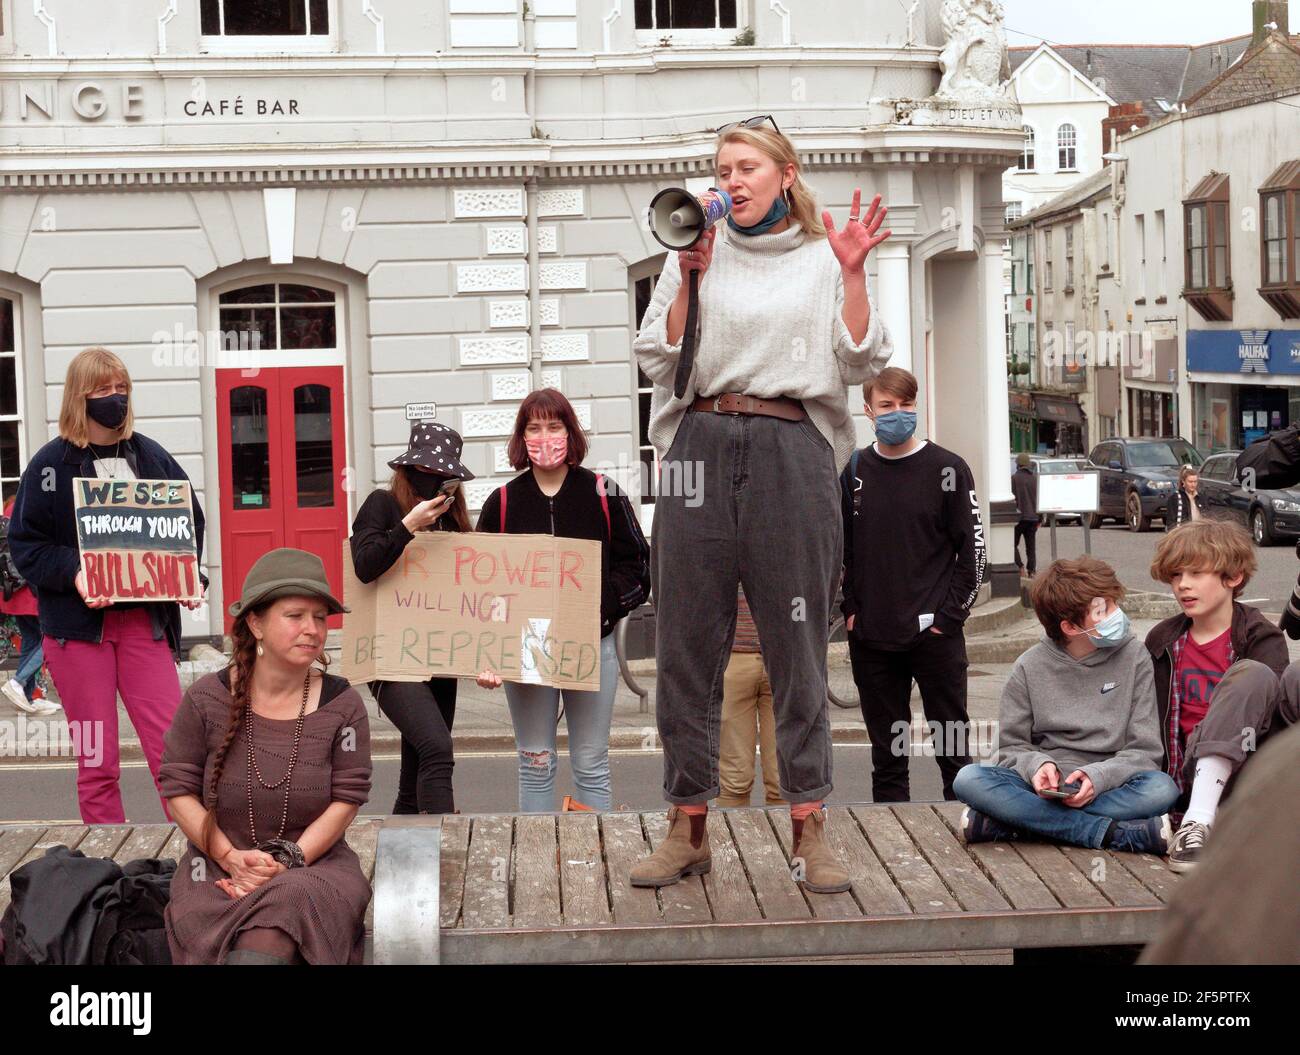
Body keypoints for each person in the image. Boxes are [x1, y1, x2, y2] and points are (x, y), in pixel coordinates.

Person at [631, 116, 893, 894]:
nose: (732, 180)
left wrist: (851, 275)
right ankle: (687, 825)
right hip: (701, 444)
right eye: (722, 168)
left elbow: (861, 359)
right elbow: (659, 356)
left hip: (791, 446)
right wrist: (693, 274)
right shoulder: (692, 255)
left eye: (747, 166)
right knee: (683, 643)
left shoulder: (821, 256)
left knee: (798, 647)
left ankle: (811, 827)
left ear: (786, 174)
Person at [8, 347, 206, 824]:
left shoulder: (150, 455)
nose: (114, 398)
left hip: (144, 627)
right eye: (102, 390)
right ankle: (104, 868)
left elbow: (186, 522)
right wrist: (76, 572)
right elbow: (26, 546)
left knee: (174, 758)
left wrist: (187, 574)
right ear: (80, 396)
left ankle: (194, 858)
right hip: (77, 636)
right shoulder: (49, 466)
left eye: (121, 389)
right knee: (97, 763)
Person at [159, 549, 372, 965]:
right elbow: (178, 791)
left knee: (283, 909)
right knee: (259, 928)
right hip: (216, 873)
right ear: (255, 623)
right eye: (295, 616)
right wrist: (230, 859)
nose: (311, 629)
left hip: (314, 869)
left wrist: (285, 862)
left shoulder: (343, 705)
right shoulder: (206, 699)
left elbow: (347, 800)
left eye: (320, 618)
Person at [475, 389, 650, 813]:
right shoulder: (502, 502)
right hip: (527, 648)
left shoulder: (604, 492)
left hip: (593, 643)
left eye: (554, 426)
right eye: (534, 427)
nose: (544, 435)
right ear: (521, 437)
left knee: (591, 762)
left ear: (569, 432)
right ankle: (538, 862)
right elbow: (480, 587)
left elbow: (638, 568)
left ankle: (594, 857)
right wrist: (487, 652)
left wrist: (598, 606)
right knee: (534, 761)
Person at [954, 556, 1178, 853]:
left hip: (1111, 785)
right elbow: (1010, 749)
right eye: (1104, 610)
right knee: (968, 779)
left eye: (1113, 604)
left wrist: (1098, 777)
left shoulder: (1136, 657)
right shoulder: (1028, 667)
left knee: (1162, 789)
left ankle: (1014, 824)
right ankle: (1113, 834)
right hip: (1042, 790)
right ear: (1070, 627)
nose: (1116, 614)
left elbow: (1145, 752)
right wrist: (1038, 766)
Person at [842, 366, 985, 803]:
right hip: (871, 636)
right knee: (887, 757)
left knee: (953, 748)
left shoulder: (948, 469)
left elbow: (974, 552)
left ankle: (964, 830)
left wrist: (949, 617)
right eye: (887, 406)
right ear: (868, 410)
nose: (898, 413)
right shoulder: (853, 470)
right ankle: (892, 843)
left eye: (906, 404)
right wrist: (848, 609)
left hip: (934, 635)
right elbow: (838, 548)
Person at [1145, 519, 1293, 872]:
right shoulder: (1162, 641)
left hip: (1247, 771)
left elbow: (1269, 724)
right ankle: (1196, 822)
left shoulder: (1261, 638)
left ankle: (1206, 820)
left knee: (1261, 675)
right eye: (1176, 575)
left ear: (1234, 577)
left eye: (1196, 573)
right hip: (1183, 781)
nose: (1183, 585)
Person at [350, 422, 473, 816]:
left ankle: (401, 862)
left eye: (445, 478)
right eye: (428, 474)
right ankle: (445, 848)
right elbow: (365, 565)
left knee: (418, 764)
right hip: (390, 655)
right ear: (408, 472)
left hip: (439, 656)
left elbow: (472, 598)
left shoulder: (453, 522)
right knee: (438, 747)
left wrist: (484, 658)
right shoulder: (381, 505)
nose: (435, 483)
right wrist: (408, 526)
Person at [1140, 720, 1300, 964]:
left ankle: (1121, 831)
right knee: (1253, 679)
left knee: (1159, 789)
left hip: (1257, 769)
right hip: (1209, 766)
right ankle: (1197, 820)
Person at [717, 585, 784, 808]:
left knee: (784, 779)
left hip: (787, 653)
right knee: (733, 783)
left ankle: (788, 842)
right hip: (731, 653)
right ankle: (731, 842)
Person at [0, 495, 60, 716]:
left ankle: (26, 697)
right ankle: (18, 683)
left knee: (32, 640)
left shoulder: (10, 511)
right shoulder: (30, 506)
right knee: (50, 638)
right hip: (31, 590)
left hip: (12, 591)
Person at [1011, 453, 1039, 578]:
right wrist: (1040, 517)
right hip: (1033, 518)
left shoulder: (1014, 478)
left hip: (1019, 518)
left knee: (1011, 544)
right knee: (1031, 547)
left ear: (1017, 464)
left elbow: (1012, 499)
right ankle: (1032, 570)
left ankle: (1020, 566)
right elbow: (1039, 499)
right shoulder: (1034, 478)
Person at [1164, 465, 1201, 531]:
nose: (1193, 484)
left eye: (1195, 482)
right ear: (1183, 481)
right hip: (1183, 535)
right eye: (1190, 482)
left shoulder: (1202, 497)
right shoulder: (1175, 498)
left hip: (1199, 534)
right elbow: (1171, 522)